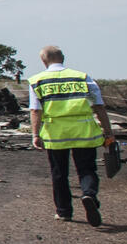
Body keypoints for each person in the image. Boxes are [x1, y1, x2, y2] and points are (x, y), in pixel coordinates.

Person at [28, 46, 115, 226]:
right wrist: (108, 132)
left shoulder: (37, 81)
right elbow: (99, 106)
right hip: (84, 132)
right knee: (87, 169)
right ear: (63, 58)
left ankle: (64, 211)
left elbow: (35, 110)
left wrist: (35, 134)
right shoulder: (83, 77)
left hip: (55, 134)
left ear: (44, 61)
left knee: (59, 173)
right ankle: (89, 194)